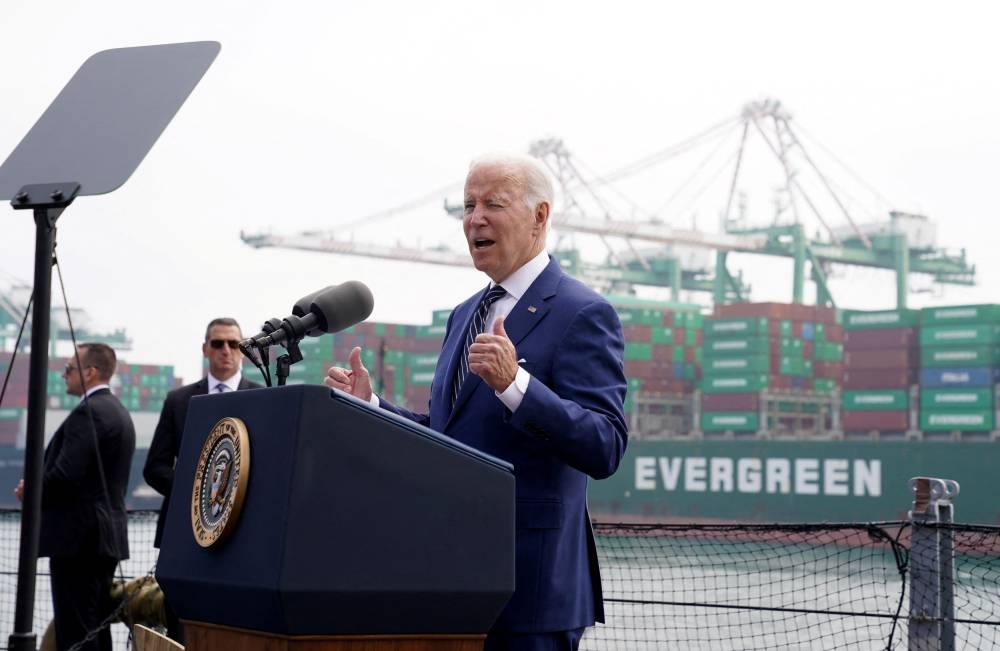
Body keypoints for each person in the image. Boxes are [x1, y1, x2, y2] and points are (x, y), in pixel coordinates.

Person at [325, 153, 628, 651]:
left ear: (540, 216)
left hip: (530, 594)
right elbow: (448, 437)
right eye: (468, 206)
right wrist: (372, 404)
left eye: (493, 204)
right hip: (451, 585)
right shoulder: (464, 314)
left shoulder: (583, 312)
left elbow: (605, 445)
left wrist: (515, 385)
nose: (475, 219)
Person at [142, 317, 260, 642]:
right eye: (218, 343)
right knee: (180, 624)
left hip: (241, 538)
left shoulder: (263, 396)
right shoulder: (178, 401)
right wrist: (198, 498)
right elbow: (154, 467)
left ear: (242, 350)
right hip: (183, 535)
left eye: (234, 344)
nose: (226, 350)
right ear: (205, 349)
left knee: (236, 623)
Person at [15, 343, 136, 651]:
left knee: (77, 631)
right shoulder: (119, 411)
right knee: (95, 628)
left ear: (90, 372)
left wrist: (31, 490)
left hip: (79, 541)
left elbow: (66, 475)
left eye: (69, 368)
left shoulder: (88, 412)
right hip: (103, 539)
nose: (64, 374)